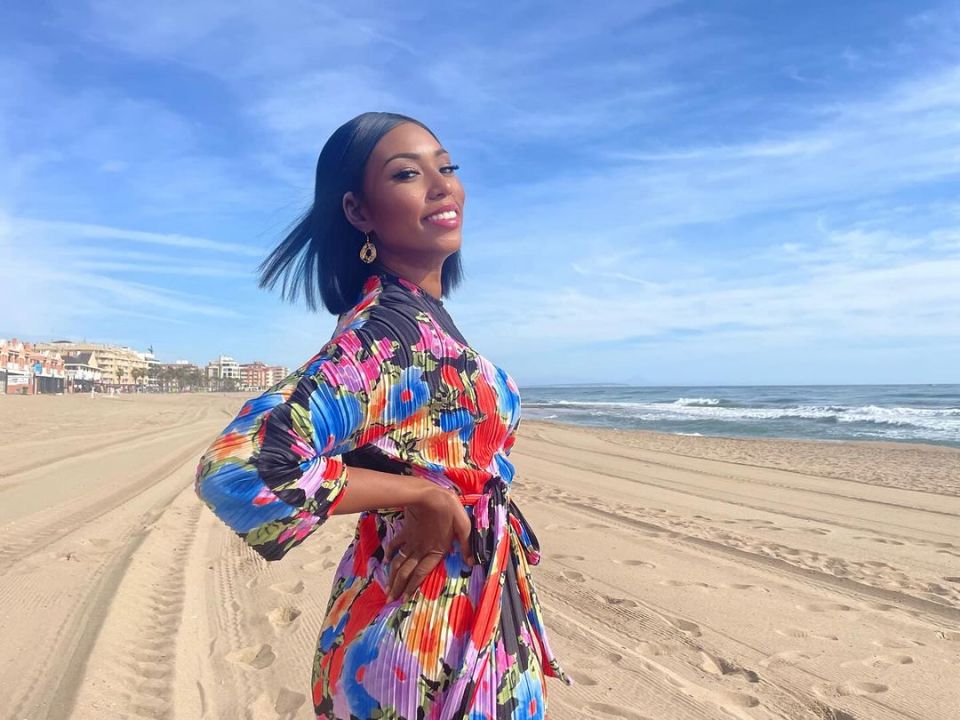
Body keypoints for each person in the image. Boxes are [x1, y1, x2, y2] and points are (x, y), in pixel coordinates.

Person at [194, 111, 572, 720]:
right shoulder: (392, 332)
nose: (441, 184)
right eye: (407, 173)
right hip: (425, 637)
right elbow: (240, 469)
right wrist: (422, 496)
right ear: (359, 212)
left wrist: (421, 492)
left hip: (441, 614)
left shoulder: (415, 320)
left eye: (446, 167)